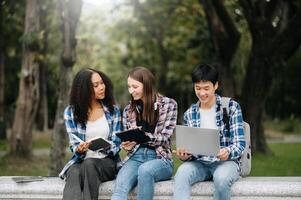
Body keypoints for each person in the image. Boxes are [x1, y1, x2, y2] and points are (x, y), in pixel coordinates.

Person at [173, 64, 246, 200]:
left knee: (221, 179)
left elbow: (240, 143)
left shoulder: (230, 107)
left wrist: (228, 152)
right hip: (200, 163)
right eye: (198, 88)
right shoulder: (190, 113)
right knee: (181, 173)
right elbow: (191, 151)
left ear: (216, 85)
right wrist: (185, 156)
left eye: (206, 88)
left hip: (226, 162)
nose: (202, 93)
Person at [111, 67, 177, 200]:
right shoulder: (129, 109)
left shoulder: (169, 105)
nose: (131, 91)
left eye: (135, 86)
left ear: (147, 85)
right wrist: (128, 144)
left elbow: (164, 138)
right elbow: (130, 137)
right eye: (129, 87)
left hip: (160, 158)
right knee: (120, 188)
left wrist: (142, 137)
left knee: (145, 170)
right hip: (135, 157)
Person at [59, 68, 122, 200]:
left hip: (106, 163)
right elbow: (74, 144)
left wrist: (105, 146)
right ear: (84, 90)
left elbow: (117, 143)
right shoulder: (70, 112)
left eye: (102, 83)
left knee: (89, 164)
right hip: (81, 161)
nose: (101, 87)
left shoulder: (113, 110)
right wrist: (80, 148)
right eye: (96, 85)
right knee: (75, 172)